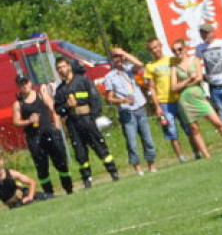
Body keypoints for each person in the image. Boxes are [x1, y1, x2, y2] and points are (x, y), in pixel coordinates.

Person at [53, 56, 118, 187]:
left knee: (100, 147)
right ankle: (87, 179)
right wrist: (66, 105)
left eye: (63, 66)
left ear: (69, 66)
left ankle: (113, 172)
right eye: (58, 68)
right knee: (80, 153)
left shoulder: (83, 81)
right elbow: (58, 109)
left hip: (87, 119)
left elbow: (95, 99)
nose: (61, 70)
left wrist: (94, 118)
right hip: (73, 123)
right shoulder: (60, 90)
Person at [169, 39, 222, 158]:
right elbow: (174, 87)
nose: (177, 52)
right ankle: (206, 155)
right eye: (174, 51)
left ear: (185, 49)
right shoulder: (174, 68)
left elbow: (199, 78)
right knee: (194, 128)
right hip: (185, 100)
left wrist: (186, 83)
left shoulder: (194, 60)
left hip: (198, 95)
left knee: (218, 122)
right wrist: (188, 80)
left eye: (180, 49)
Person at [11, 76, 73, 196]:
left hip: (50, 133)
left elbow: (53, 109)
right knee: (42, 168)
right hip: (34, 138)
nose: (24, 86)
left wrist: (57, 127)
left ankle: (69, 189)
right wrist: (28, 121)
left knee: (60, 163)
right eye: (21, 84)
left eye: (26, 82)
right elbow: (16, 122)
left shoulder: (41, 95)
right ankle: (48, 193)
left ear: (30, 83)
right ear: (18, 86)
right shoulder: (18, 104)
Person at [143, 37, 200, 163]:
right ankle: (181, 157)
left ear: (161, 46)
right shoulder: (150, 67)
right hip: (164, 102)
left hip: (180, 98)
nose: (155, 50)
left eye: (156, 47)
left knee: (189, 127)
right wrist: (157, 106)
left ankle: (197, 151)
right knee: (172, 131)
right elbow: (151, 88)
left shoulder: (172, 60)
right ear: (149, 51)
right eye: (152, 49)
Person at [102, 47, 157, 175]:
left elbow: (140, 64)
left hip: (140, 106)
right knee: (132, 142)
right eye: (115, 57)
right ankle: (137, 167)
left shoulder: (129, 69)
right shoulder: (110, 77)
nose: (118, 59)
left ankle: (151, 164)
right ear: (112, 60)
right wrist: (122, 101)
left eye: (119, 57)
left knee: (147, 139)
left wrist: (124, 53)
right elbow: (109, 98)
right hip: (126, 111)